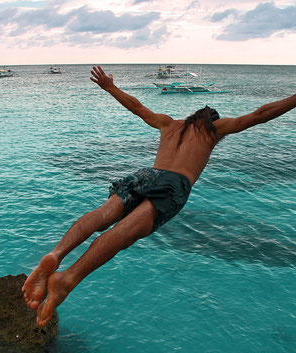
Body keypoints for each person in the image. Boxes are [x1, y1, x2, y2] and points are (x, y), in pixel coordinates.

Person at [22, 66, 296, 327]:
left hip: (146, 174)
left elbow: (136, 106)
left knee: (102, 215)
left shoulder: (168, 124)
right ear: (212, 120)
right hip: (173, 183)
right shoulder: (214, 129)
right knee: (125, 233)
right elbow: (260, 114)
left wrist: (110, 87)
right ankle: (67, 279)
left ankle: (56, 253)